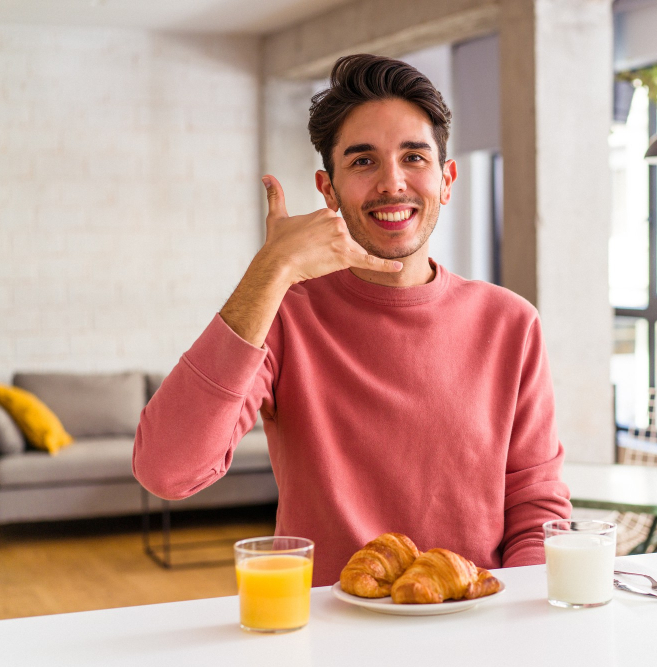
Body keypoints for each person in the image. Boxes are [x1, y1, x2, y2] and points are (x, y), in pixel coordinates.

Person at [133, 53, 571, 587]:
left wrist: (522, 619)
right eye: (363, 161)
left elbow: (535, 506)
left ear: (447, 179)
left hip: (475, 625)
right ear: (328, 190)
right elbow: (166, 471)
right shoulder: (286, 315)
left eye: (414, 157)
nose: (392, 183)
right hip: (327, 634)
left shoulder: (511, 323)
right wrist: (269, 272)